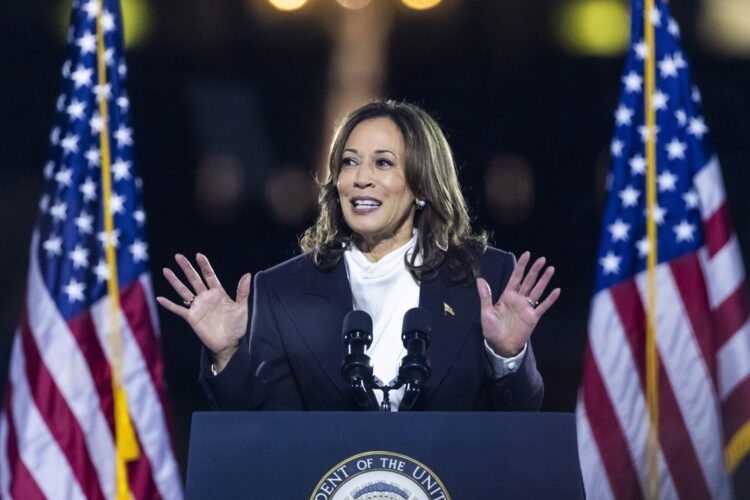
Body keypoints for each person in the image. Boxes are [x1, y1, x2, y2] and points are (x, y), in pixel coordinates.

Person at [157, 99, 560, 411]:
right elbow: (262, 436)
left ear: (421, 184)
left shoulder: (484, 277)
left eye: (382, 163)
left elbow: (517, 424)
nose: (360, 178)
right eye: (349, 162)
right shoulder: (282, 289)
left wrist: (507, 356)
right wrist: (227, 353)